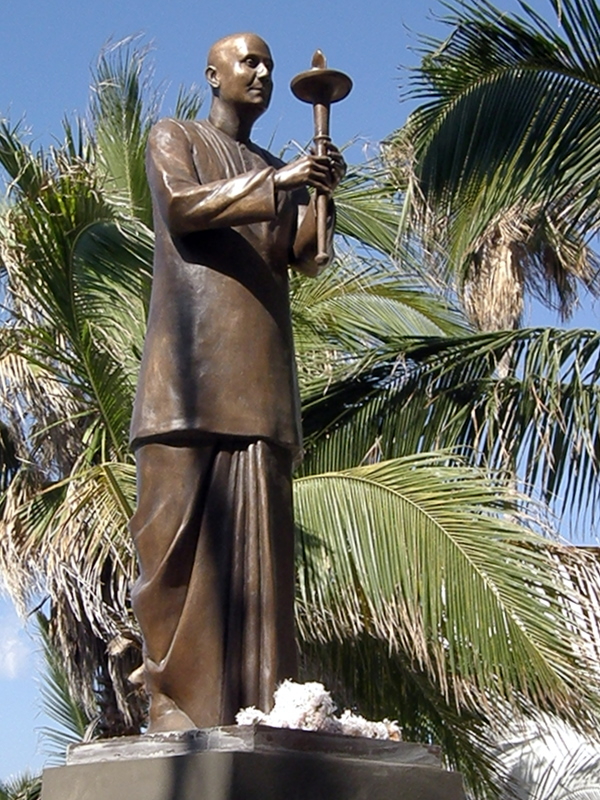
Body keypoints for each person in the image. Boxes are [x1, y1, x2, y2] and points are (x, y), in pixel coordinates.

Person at [128, 32, 346, 732]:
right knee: (171, 551)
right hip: (184, 384)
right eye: (248, 61)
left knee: (261, 568)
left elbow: (304, 257)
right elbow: (183, 207)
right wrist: (281, 183)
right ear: (212, 74)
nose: (262, 72)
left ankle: (255, 703)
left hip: (258, 383)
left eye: (268, 65)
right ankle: (171, 703)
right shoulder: (175, 136)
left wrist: (320, 196)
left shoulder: (280, 170)